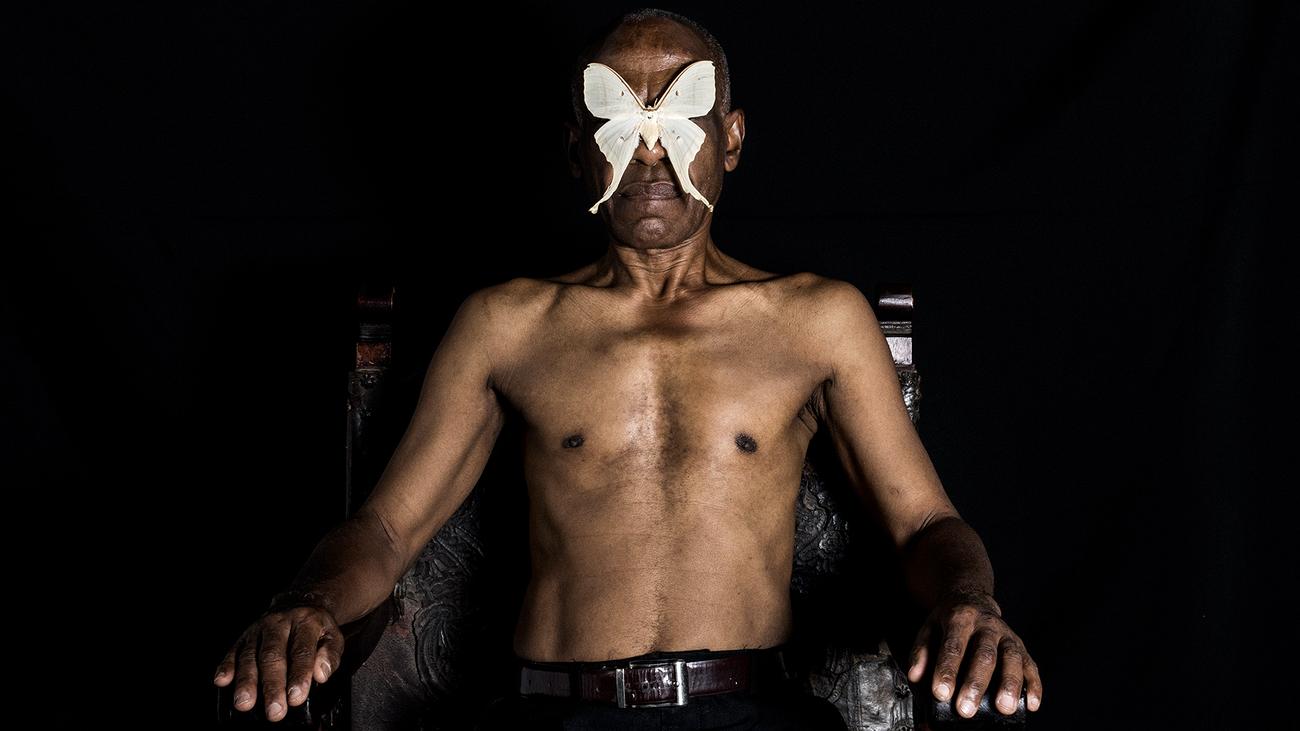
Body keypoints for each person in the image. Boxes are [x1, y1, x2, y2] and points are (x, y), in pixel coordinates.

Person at [213, 7, 1043, 729]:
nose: (650, 153)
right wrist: (307, 603)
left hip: (750, 712)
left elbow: (924, 524)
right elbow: (386, 530)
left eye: (678, 116)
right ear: (578, 147)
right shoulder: (506, 324)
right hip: (553, 714)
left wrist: (970, 600)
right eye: (618, 119)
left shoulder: (817, 320)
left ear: (731, 137)